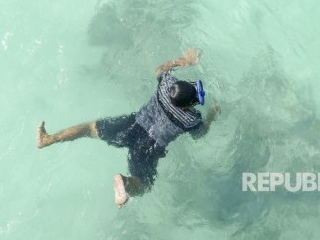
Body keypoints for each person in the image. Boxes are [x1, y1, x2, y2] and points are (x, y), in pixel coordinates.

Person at [37, 48, 220, 208]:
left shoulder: (165, 85)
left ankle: (48, 139)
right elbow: (200, 133)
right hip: (150, 147)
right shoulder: (190, 119)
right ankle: (124, 182)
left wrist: (184, 60)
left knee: (88, 128)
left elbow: (160, 69)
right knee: (144, 184)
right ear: (187, 106)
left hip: (133, 126)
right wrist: (212, 114)